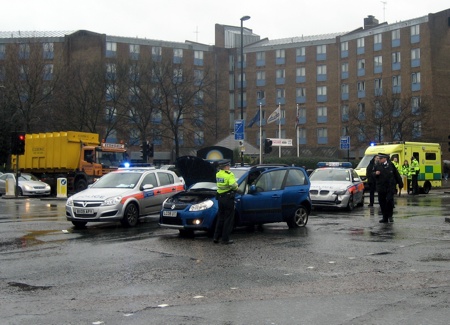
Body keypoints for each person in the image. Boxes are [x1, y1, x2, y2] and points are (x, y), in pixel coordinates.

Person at [213, 160, 238, 244]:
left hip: (220, 198)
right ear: (226, 167)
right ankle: (225, 239)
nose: (229, 167)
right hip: (228, 198)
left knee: (220, 218)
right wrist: (237, 188)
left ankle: (216, 237)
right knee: (228, 219)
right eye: (228, 166)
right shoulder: (229, 174)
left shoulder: (218, 174)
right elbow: (233, 185)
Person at [374, 153, 403, 223]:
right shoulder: (377, 166)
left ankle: (390, 216)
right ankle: (385, 217)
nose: (379, 160)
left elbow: (397, 174)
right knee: (382, 202)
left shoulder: (391, 165)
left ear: (385, 159)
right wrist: (375, 173)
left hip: (390, 187)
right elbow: (371, 174)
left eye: (381, 158)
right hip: (381, 187)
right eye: (379, 158)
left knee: (389, 201)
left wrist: (400, 183)